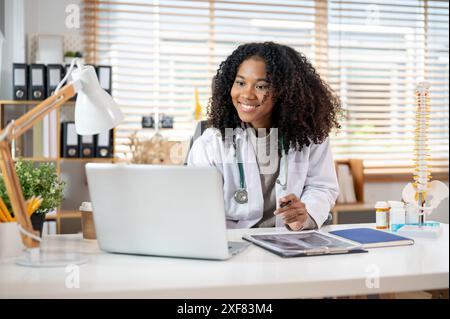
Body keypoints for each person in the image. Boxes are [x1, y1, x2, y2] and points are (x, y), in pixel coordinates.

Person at [187, 42, 340, 231]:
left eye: (260, 86)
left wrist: (305, 215)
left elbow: (322, 187)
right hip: (233, 242)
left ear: (284, 92)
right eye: (241, 83)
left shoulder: (309, 135)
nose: (247, 94)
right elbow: (197, 206)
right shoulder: (211, 143)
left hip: (289, 241)